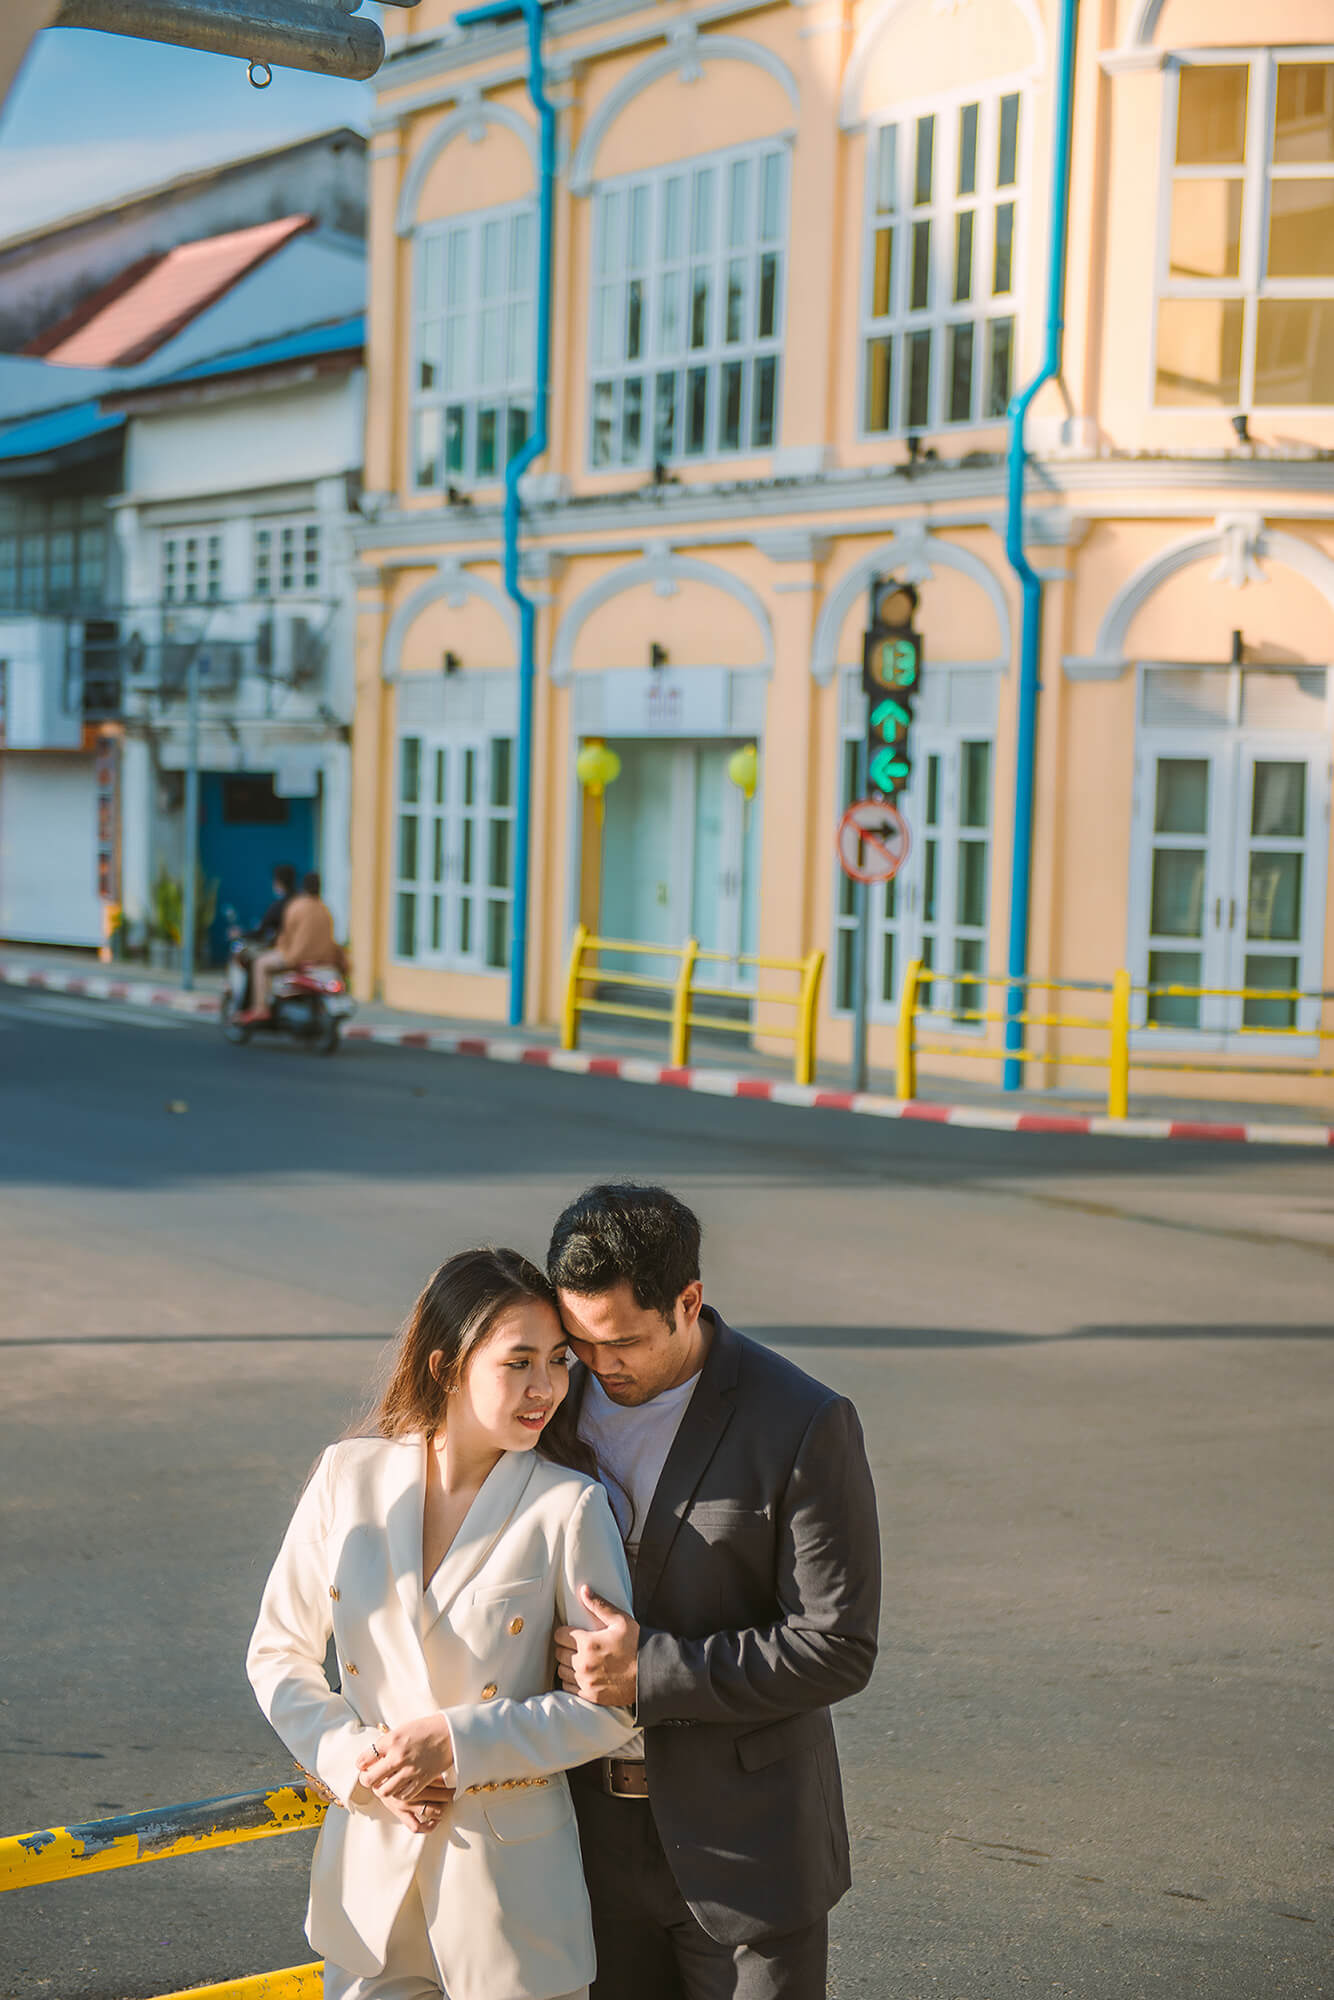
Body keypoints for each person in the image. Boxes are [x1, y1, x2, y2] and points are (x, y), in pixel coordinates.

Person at [246, 1248, 637, 2000]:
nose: (545, 1388)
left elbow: (610, 1708)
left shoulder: (568, 1505)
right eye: (517, 1362)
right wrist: (364, 1766)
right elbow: (277, 1654)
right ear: (446, 1365)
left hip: (511, 1900)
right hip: (374, 1879)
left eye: (558, 1362)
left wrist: (456, 1744)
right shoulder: (348, 1477)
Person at [547, 1184, 881, 2000]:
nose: (597, 1365)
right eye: (578, 1341)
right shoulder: (545, 1403)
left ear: (688, 1301)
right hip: (580, 1842)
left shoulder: (800, 1421)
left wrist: (648, 1674)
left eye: (622, 1342)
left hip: (746, 1855)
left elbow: (836, 1646)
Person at [241, 870, 343, 1023]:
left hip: (296, 958)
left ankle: (261, 1008)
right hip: (323, 960)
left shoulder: (296, 907)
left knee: (260, 964)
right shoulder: (325, 910)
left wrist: (278, 946)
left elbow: (286, 936)